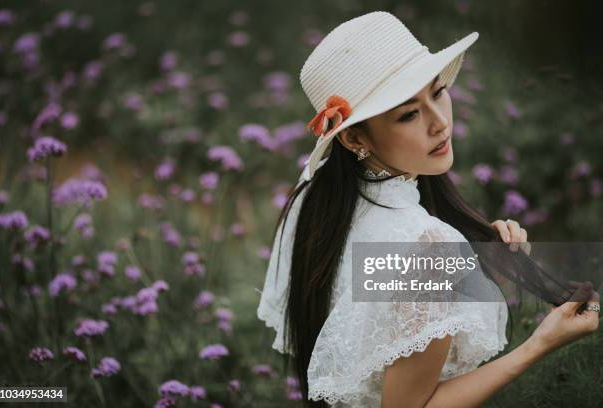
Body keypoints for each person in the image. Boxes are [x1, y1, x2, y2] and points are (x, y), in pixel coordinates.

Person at [256, 11, 600, 407]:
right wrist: (540, 344)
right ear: (352, 138)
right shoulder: (426, 246)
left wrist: (475, 266)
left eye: (436, 93)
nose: (439, 124)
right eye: (408, 114)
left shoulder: (315, 197)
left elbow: (376, 307)